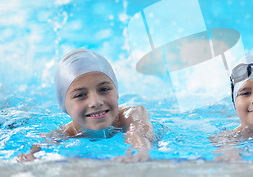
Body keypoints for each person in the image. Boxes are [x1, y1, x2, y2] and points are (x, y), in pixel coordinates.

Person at [18, 48, 155, 162]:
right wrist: (31, 156)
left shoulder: (132, 114)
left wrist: (139, 150)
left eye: (104, 89)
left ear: (117, 92)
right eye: (80, 95)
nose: (95, 102)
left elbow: (138, 134)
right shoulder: (67, 133)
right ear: (65, 106)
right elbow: (42, 144)